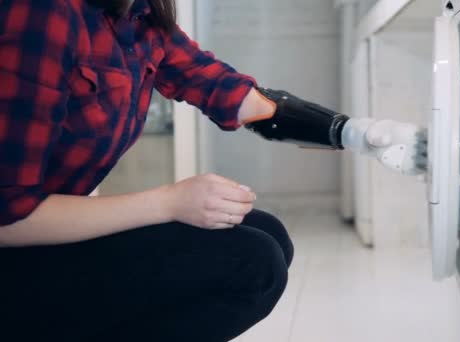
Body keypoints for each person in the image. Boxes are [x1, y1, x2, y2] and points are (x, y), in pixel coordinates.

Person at [0, 0, 424, 341]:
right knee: (248, 262)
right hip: (14, 252)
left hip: (41, 244)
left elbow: (228, 91)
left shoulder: (140, 17)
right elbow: (8, 217)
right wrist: (168, 202)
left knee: (265, 235)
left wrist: (356, 133)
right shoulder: (42, 12)